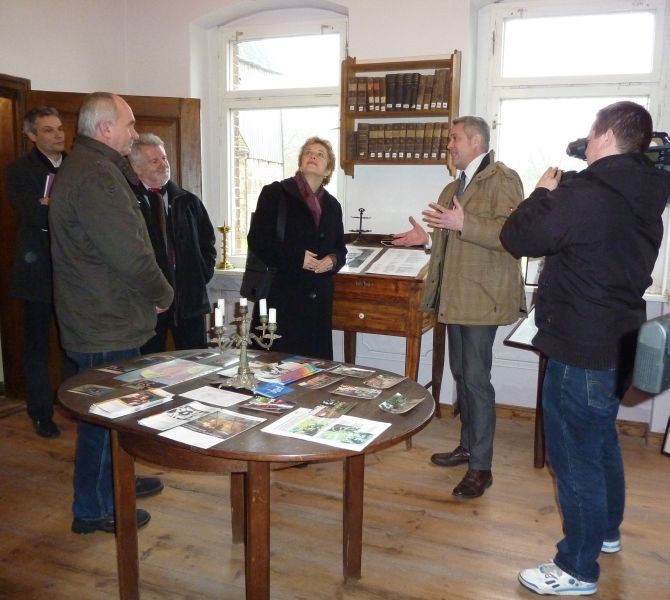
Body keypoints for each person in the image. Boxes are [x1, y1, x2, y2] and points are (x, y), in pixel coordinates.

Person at [501, 101, 670, 596]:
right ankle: (606, 533)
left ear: (606, 136)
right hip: (620, 338)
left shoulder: (589, 194)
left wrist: (541, 192)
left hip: (580, 345)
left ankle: (576, 567)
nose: (587, 141)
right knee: (599, 442)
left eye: (592, 133)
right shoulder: (647, 192)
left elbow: (518, 236)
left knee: (574, 456)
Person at [49, 92, 174, 534]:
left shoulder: (91, 166)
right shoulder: (96, 175)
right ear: (105, 129)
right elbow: (130, 254)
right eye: (129, 124)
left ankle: (116, 481)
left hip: (104, 315)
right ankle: (94, 509)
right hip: (104, 322)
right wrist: (163, 293)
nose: (135, 133)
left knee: (115, 414)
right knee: (102, 418)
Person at [393, 116, 525, 499]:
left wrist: (463, 223)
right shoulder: (454, 186)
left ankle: (481, 468)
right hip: (457, 298)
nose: (448, 145)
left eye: (454, 138)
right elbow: (453, 245)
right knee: (462, 375)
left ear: (476, 141)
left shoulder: (503, 179)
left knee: (476, 381)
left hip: (483, 298)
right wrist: (426, 240)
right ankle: (468, 447)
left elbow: (514, 236)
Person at [5, 106, 75, 438]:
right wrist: (56, 208)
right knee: (37, 346)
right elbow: (34, 214)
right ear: (32, 135)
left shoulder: (76, 165)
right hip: (37, 274)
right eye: (48, 129)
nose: (58, 134)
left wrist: (52, 204)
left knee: (75, 342)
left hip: (75, 272)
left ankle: (75, 405)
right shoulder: (19, 170)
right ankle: (41, 412)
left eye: (59, 128)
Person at [247, 136, 347, 359]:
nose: (313, 156)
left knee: (314, 370)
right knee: (276, 368)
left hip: (318, 303)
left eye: (320, 154)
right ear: (301, 162)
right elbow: (258, 240)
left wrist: (333, 260)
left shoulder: (333, 206)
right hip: (282, 296)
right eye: (308, 152)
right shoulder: (275, 193)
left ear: (328, 170)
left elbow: (340, 249)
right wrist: (296, 258)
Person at [128, 133, 216, 353]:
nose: (163, 164)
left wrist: (201, 274)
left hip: (190, 302)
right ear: (137, 167)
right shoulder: (128, 203)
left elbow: (208, 243)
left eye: (164, 158)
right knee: (148, 365)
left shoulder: (188, 201)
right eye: (154, 161)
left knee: (196, 362)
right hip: (149, 303)